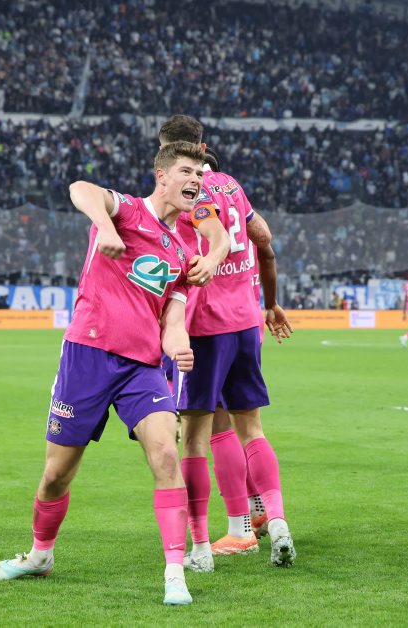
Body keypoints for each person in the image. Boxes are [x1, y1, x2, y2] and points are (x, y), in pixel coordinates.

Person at [0, 141, 203, 606]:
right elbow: (79, 187)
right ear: (162, 176)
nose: (196, 180)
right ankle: (40, 555)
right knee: (56, 475)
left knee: (167, 455)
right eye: (187, 171)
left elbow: (173, 321)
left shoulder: (184, 252)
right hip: (87, 355)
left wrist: (178, 346)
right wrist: (104, 226)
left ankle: (174, 573)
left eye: (200, 173)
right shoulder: (127, 210)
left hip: (142, 367)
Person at [158, 116, 295, 572]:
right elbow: (264, 239)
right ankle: (275, 520)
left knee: (201, 437)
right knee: (251, 428)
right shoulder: (231, 184)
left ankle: (223, 536)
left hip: (203, 325)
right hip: (245, 320)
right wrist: (268, 301)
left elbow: (192, 243)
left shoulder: (185, 195)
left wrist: (212, 257)